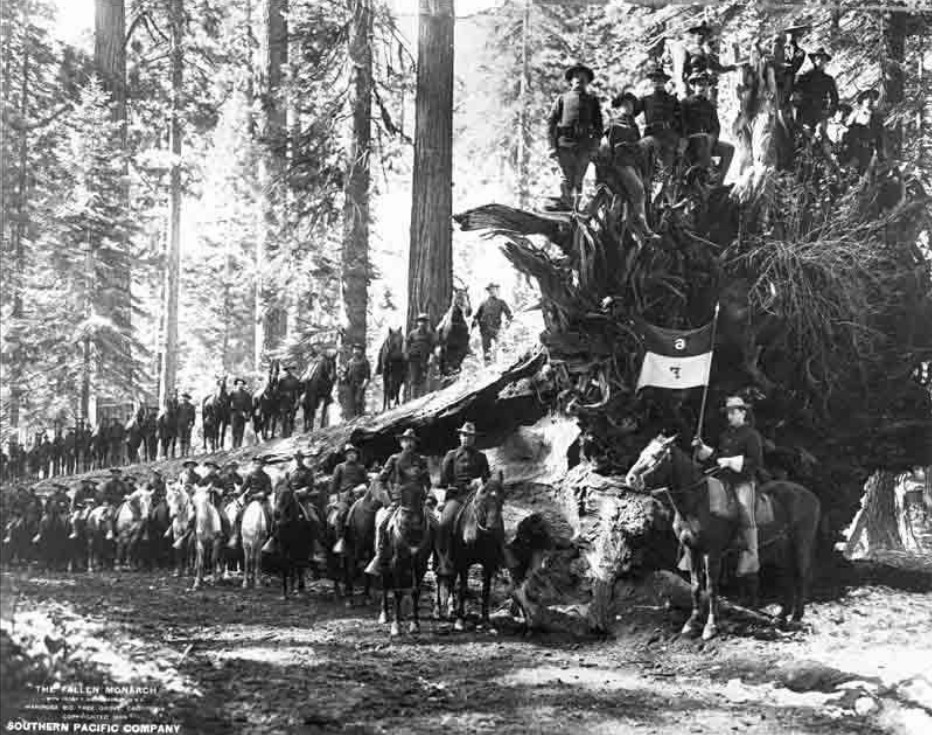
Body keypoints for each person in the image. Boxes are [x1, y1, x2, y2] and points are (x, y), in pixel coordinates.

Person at [692, 395, 764, 596]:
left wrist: (731, 462)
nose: (730, 415)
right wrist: (702, 449)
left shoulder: (752, 435)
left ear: (743, 412)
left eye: (734, 412)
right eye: (729, 412)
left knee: (744, 510)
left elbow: (755, 462)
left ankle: (751, 553)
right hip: (722, 480)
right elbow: (716, 458)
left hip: (743, 481)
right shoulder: (725, 435)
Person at [365, 429, 431, 575]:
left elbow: (428, 483)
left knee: (436, 525)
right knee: (382, 524)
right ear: (401, 443)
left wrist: (427, 495)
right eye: (406, 440)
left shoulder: (421, 460)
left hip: (418, 502)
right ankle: (380, 556)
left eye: (411, 441)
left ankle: (440, 557)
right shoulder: (394, 459)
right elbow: (381, 480)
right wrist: (385, 498)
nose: (408, 443)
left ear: (415, 443)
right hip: (398, 501)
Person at [435, 422, 492, 578]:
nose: (467, 439)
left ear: (474, 438)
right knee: (444, 522)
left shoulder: (481, 456)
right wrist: (449, 490)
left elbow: (488, 478)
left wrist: (480, 482)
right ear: (460, 436)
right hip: (457, 496)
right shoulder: (451, 455)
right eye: (464, 435)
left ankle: (497, 557)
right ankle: (443, 559)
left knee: (494, 517)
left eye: (471, 436)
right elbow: (443, 481)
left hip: (476, 496)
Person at [547, 62, 604, 210]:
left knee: (578, 181)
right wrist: (551, 146)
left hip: (584, 147)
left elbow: (599, 127)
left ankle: (575, 214)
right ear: (571, 80)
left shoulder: (592, 101)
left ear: (587, 81)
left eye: (583, 77)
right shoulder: (562, 99)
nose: (579, 79)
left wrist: (594, 147)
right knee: (566, 181)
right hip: (564, 146)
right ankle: (564, 212)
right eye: (576, 76)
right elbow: (551, 124)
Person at [680, 71, 734, 183]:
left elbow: (716, 126)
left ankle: (719, 181)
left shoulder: (710, 106)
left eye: (705, 85)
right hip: (691, 141)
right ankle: (707, 174)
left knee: (729, 149)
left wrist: (712, 138)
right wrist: (687, 136)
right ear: (694, 86)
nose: (702, 88)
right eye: (699, 85)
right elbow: (681, 122)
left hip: (708, 141)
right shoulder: (685, 103)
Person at [639, 62, 685, 174]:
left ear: (665, 82)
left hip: (668, 135)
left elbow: (681, 121)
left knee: (666, 165)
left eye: (660, 80)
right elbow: (631, 111)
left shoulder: (672, 100)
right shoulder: (646, 100)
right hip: (651, 134)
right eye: (655, 80)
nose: (657, 82)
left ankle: (666, 186)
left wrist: (681, 139)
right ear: (652, 82)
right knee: (642, 154)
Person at [227, 455, 273, 550]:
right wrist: (237, 493)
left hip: (262, 500)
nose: (258, 465)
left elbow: (269, 489)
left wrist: (262, 493)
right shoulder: (250, 475)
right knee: (239, 514)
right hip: (251, 499)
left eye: (260, 463)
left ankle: (271, 538)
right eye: (256, 463)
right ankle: (236, 535)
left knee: (271, 514)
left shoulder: (266, 477)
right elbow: (244, 487)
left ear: (263, 465)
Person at [330, 443, 369, 554]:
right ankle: (341, 539)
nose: (352, 455)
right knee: (342, 514)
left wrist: (362, 487)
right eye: (349, 453)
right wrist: (334, 497)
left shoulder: (361, 467)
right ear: (346, 455)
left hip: (359, 496)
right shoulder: (340, 467)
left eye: (353, 453)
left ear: (356, 455)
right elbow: (334, 484)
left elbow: (367, 482)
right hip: (345, 497)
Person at [794, 47, 839, 138]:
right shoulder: (804, 77)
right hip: (804, 112)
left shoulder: (829, 79)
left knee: (822, 139)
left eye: (824, 59)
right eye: (819, 58)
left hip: (820, 113)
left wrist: (829, 112)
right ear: (814, 60)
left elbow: (835, 98)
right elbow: (796, 93)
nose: (821, 61)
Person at [472, 283, 513, 365]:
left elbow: (509, 314)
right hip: (485, 330)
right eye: (490, 290)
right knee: (486, 352)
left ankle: (508, 364)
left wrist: (508, 321)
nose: (491, 291)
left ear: (497, 290)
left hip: (497, 329)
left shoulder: (501, 302)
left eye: (493, 289)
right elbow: (477, 316)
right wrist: (474, 322)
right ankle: (487, 368)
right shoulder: (483, 303)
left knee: (503, 347)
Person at [845, 89, 885, 173]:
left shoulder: (877, 116)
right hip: (856, 150)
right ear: (862, 100)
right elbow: (848, 132)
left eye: (872, 97)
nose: (870, 100)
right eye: (867, 97)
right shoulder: (855, 114)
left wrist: (880, 152)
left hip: (870, 150)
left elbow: (879, 135)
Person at [404, 314, 436, 400]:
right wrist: (406, 354)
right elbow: (407, 344)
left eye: (424, 321)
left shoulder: (430, 334)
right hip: (413, 358)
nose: (422, 323)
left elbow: (433, 347)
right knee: (414, 378)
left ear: (427, 323)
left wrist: (431, 358)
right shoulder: (412, 333)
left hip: (424, 359)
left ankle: (421, 398)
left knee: (423, 378)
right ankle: (413, 398)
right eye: (420, 321)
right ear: (418, 323)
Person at [98, 467, 127, 541]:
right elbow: (104, 494)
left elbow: (126, 493)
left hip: (122, 504)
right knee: (110, 514)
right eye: (114, 473)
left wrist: (126, 497)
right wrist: (108, 499)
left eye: (117, 473)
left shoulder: (123, 484)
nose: (116, 475)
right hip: (112, 504)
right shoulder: (108, 484)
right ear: (112, 474)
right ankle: (110, 531)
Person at [342, 344, 371, 418]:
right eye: (355, 349)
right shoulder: (350, 362)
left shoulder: (365, 362)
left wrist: (365, 383)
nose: (356, 351)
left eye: (358, 350)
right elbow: (346, 372)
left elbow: (367, 374)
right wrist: (343, 377)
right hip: (351, 384)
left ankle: (360, 416)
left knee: (358, 400)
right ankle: (354, 417)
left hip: (360, 384)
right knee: (352, 402)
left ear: (361, 351)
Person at [278, 366, 302, 436]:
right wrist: (284, 393)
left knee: (292, 416)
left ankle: (290, 431)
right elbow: (278, 391)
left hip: (293, 400)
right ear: (286, 370)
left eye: (291, 369)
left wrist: (297, 400)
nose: (290, 371)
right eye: (289, 369)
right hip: (284, 401)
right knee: (284, 417)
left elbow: (298, 391)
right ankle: (283, 431)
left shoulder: (295, 380)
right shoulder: (282, 380)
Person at [229, 378, 252, 448]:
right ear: (236, 384)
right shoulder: (233, 393)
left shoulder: (246, 394)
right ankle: (233, 446)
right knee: (234, 430)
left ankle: (239, 446)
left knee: (241, 431)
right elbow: (229, 404)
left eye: (242, 384)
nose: (240, 385)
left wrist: (247, 413)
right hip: (234, 414)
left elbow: (249, 405)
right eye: (239, 384)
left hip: (243, 415)